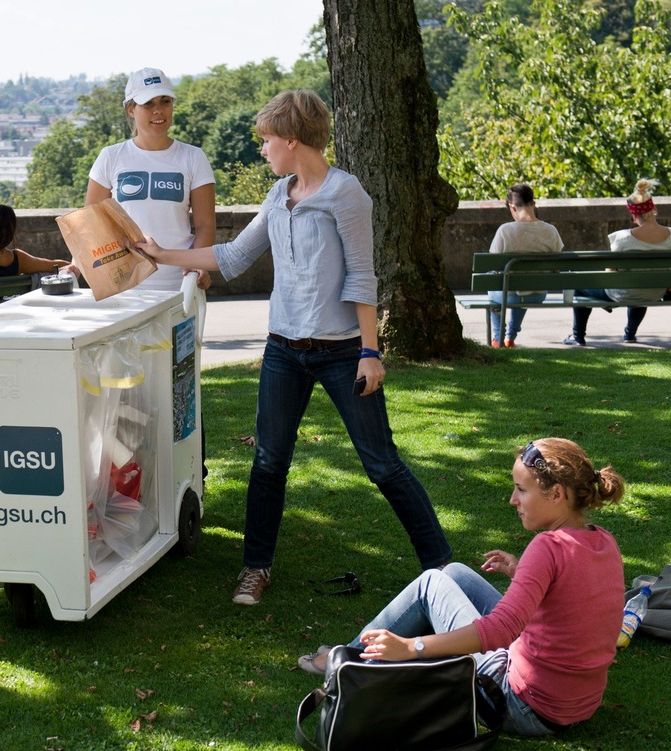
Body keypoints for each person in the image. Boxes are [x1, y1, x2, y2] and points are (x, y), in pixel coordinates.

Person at [137, 90, 453, 605]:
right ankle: (256, 568)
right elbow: (235, 255)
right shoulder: (279, 194)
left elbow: (362, 276)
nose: (261, 149)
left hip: (342, 352)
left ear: (292, 139)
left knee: (382, 464)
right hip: (284, 351)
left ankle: (443, 569)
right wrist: (161, 253)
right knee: (268, 462)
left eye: (265, 140)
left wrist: (370, 352)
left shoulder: (346, 194)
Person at [298, 438, 626, 736]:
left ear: (556, 494)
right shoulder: (602, 540)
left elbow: (501, 630)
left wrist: (412, 648)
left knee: (431, 584)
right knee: (454, 572)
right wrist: (520, 572)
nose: (513, 500)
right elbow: (576, 601)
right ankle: (355, 657)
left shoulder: (547, 548)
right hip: (577, 705)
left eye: (521, 490)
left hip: (522, 706)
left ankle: (348, 663)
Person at [85, 67, 215, 293]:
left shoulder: (193, 157)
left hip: (180, 286)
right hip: (125, 285)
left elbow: (205, 225)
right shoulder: (111, 157)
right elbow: (91, 223)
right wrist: (76, 267)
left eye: (165, 101)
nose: (158, 111)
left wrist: (197, 266)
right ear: (131, 109)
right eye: (148, 104)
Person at [564, 178, 671, 346]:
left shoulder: (623, 238)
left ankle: (577, 336)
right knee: (643, 282)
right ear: (655, 209)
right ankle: (630, 334)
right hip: (656, 292)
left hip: (622, 293)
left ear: (633, 215)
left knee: (579, 284)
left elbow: (611, 271)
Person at [486, 183, 564, 348]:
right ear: (533, 204)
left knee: (496, 285)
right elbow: (558, 266)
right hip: (538, 294)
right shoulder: (551, 231)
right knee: (526, 283)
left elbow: (494, 265)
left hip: (508, 295)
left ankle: (498, 338)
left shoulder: (504, 230)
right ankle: (510, 337)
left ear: (512, 207)